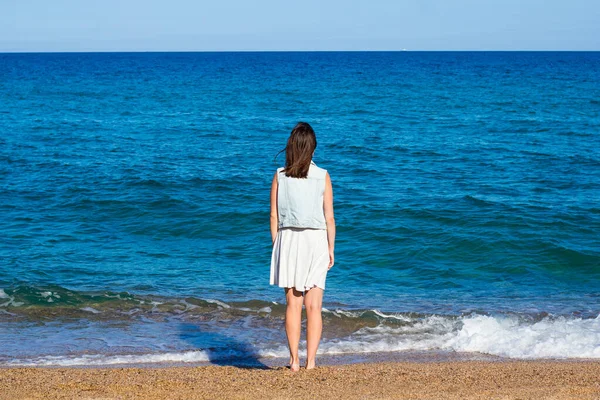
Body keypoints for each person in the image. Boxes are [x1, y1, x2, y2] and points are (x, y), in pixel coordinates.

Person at [269, 122, 335, 372]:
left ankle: (294, 361)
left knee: (293, 304)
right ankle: (311, 362)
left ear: (291, 148)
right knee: (314, 305)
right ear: (313, 149)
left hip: (289, 240)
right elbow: (329, 217)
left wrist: (278, 245)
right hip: (316, 240)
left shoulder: (279, 176)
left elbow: (274, 216)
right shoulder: (323, 176)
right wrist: (331, 248)